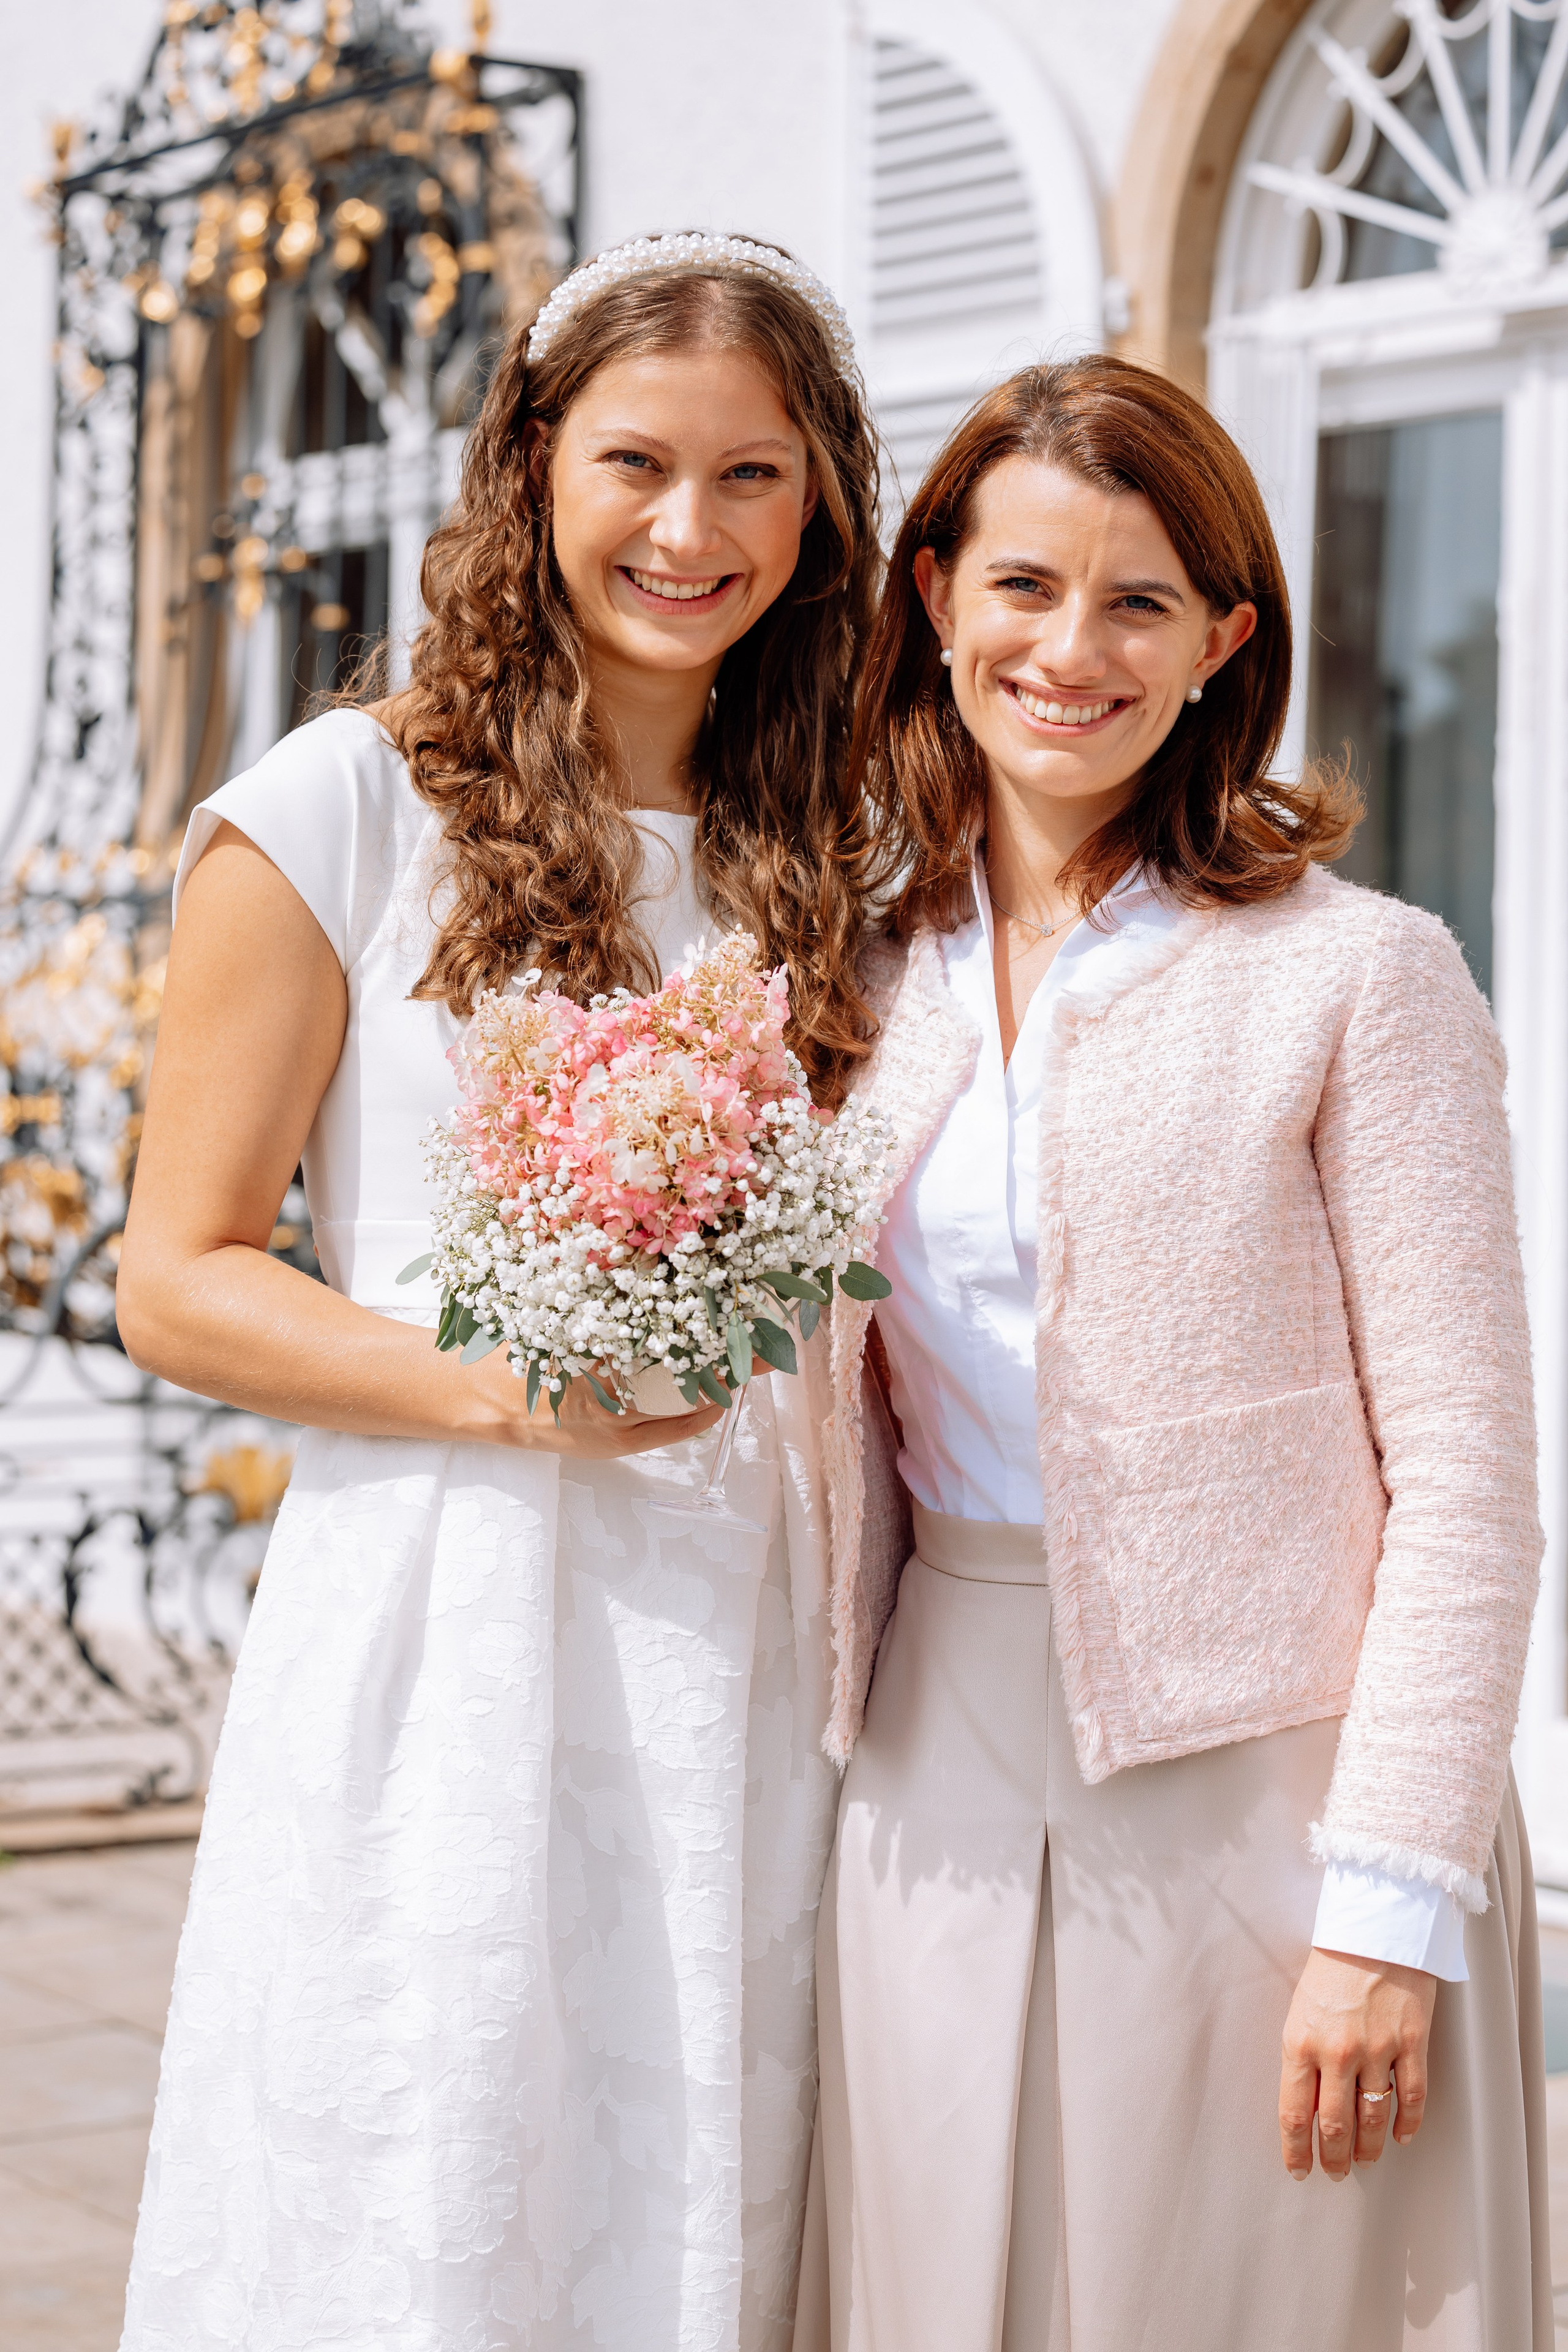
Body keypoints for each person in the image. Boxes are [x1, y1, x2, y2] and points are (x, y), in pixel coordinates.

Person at [115, 232, 880, 2352]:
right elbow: (173, 1286)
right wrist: (511, 1399)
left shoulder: (831, 839)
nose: (689, 528)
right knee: (434, 2195)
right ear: (530, 463)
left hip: (752, 1625)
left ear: (821, 507)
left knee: (713, 2205)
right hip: (444, 1617)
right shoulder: (339, 810)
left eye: (756, 476)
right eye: (639, 461)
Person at [792, 355, 1551, 2351]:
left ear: (1225, 644)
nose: (1072, 651)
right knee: (935, 2286)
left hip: (1275, 1782)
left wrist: (1386, 1910)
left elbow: (1470, 1472)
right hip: (930, 1747)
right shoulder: (849, 980)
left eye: (1140, 603)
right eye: (1026, 587)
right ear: (937, 593)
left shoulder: (1356, 974)